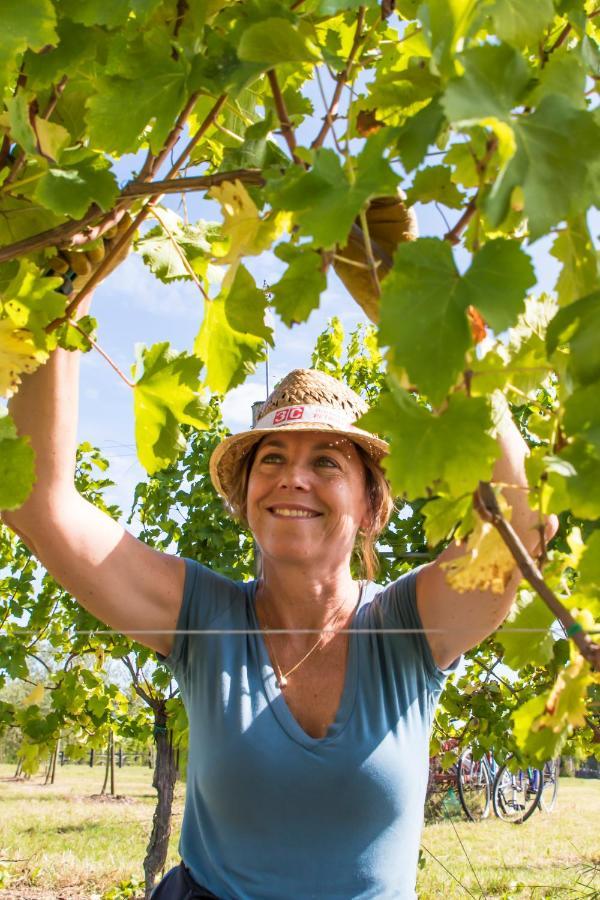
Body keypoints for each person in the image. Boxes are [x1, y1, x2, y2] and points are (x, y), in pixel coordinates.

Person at [3, 259, 557, 899]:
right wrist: (61, 285)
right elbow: (39, 506)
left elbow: (521, 529)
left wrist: (432, 331)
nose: (293, 477)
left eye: (326, 460)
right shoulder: (201, 617)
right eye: (272, 458)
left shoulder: (408, 628)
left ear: (372, 504)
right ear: (244, 497)